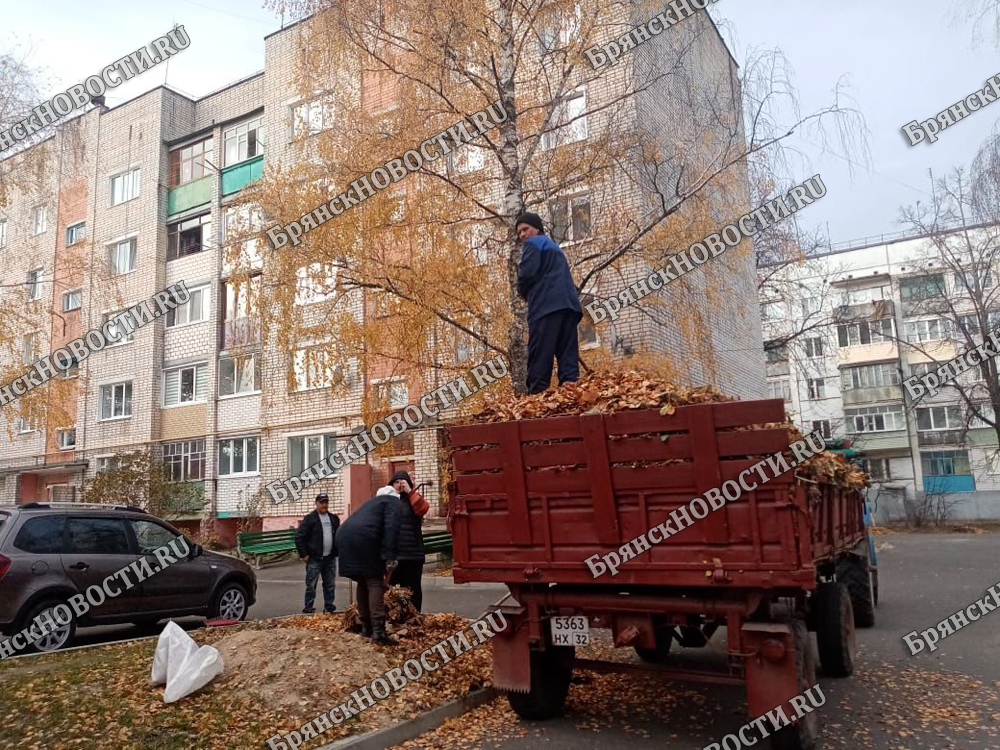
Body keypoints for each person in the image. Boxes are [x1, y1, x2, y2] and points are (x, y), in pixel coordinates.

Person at [515, 211, 583, 394]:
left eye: (525, 229)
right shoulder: (555, 248)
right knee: (567, 355)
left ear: (537, 228)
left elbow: (525, 274)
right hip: (569, 308)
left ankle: (536, 400)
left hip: (546, 308)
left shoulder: (533, 244)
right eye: (519, 232)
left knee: (540, 355)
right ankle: (570, 394)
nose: (522, 235)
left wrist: (522, 291)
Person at [336, 484, 402, 645]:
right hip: (363, 539)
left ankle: (366, 627)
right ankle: (379, 632)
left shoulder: (371, 504)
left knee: (363, 581)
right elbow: (391, 528)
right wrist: (390, 556)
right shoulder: (393, 502)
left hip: (343, 535)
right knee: (374, 582)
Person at [387, 470, 429, 612]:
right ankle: (396, 616)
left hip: (413, 555)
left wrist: (410, 491)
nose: (399, 485)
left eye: (402, 482)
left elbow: (423, 509)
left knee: (413, 589)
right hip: (394, 556)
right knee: (390, 589)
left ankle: (415, 616)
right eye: (396, 482)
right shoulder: (387, 501)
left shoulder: (413, 499)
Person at [295, 493, 340, 614]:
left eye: (326, 502)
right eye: (321, 502)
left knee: (330, 584)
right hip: (314, 558)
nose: (324, 505)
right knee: (311, 584)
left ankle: (329, 606)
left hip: (329, 558)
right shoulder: (310, 519)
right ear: (316, 503)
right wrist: (304, 554)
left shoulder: (333, 518)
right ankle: (308, 606)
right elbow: (299, 537)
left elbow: (338, 535)